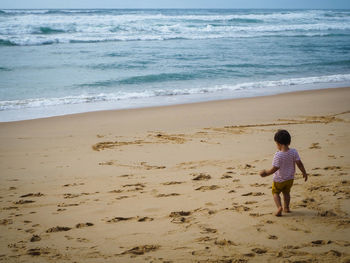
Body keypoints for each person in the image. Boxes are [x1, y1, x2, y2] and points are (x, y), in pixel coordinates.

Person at [259, 129, 307, 216]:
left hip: (279, 179)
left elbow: (275, 168)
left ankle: (279, 207)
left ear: (278, 143)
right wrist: (304, 172)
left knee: (275, 193)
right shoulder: (294, 152)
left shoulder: (278, 155)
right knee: (286, 193)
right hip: (290, 179)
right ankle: (287, 207)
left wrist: (266, 173)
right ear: (289, 142)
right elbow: (299, 164)